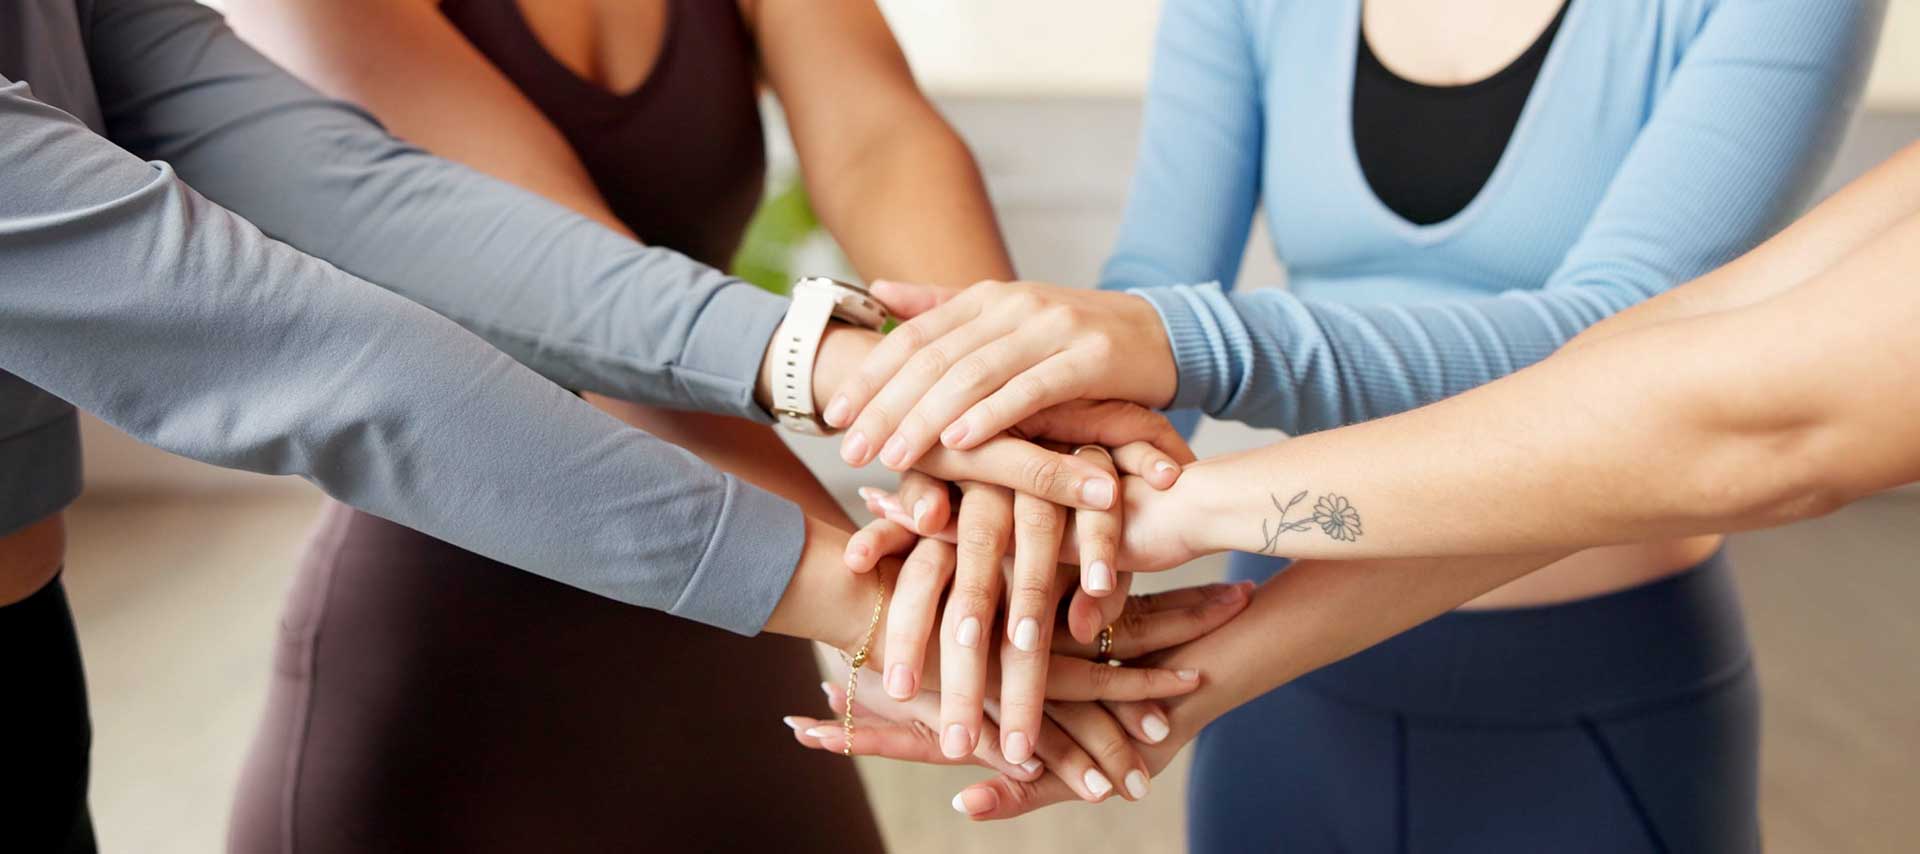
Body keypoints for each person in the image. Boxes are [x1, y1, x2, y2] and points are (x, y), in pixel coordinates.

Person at [0, 2, 1200, 850]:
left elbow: (375, 196)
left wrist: (974, 410)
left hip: (31, 653)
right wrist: (934, 612)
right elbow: (320, 351)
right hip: (467, 647)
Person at [830, 0, 1885, 849]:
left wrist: (1179, 340)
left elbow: (1626, 345)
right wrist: (1016, 517)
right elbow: (1146, 307)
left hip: (1591, 685)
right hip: (1279, 666)